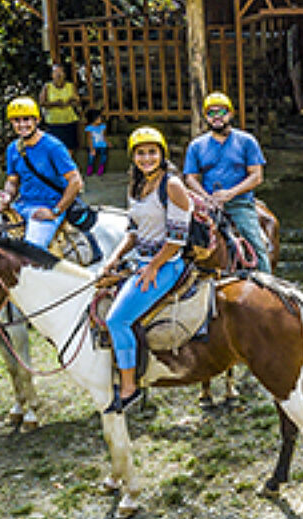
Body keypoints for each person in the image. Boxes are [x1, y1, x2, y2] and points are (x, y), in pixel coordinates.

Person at [98, 127, 192, 413]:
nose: (147, 158)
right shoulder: (137, 186)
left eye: (152, 152)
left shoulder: (172, 185)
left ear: (162, 154)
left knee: (117, 320)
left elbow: (178, 239)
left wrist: (153, 267)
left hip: (166, 264)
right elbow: (133, 230)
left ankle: (129, 388)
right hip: (141, 259)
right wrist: (114, 258)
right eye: (141, 153)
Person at [183, 92, 271, 273]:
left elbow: (256, 176)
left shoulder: (246, 141)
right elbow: (190, 177)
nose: (216, 117)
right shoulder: (197, 145)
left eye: (221, 111)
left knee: (256, 244)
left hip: (238, 203)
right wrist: (206, 197)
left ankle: (267, 282)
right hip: (207, 205)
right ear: (205, 117)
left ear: (230, 114)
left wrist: (230, 193)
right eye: (211, 113)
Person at [0, 96, 83, 251]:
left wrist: (55, 211)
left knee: (31, 251)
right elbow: (12, 181)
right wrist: (7, 196)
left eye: (26, 119)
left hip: (48, 206)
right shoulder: (13, 149)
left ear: (37, 120)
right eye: (16, 120)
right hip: (21, 205)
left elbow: (76, 181)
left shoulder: (53, 147)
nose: (22, 124)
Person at [40, 63, 80, 152]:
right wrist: (55, 103)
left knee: (70, 146)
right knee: (55, 147)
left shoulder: (70, 86)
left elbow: (77, 100)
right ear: (52, 75)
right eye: (55, 72)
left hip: (69, 120)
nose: (58, 75)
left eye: (61, 72)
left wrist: (71, 101)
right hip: (54, 122)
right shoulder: (47, 86)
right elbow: (42, 102)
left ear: (65, 74)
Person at [84, 109, 110, 176]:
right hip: (94, 145)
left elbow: (104, 136)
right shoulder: (89, 128)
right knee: (91, 158)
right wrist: (91, 148)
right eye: (98, 118)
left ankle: (101, 169)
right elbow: (89, 138)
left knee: (104, 157)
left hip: (102, 145)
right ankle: (89, 170)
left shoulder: (103, 127)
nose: (100, 119)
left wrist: (107, 142)